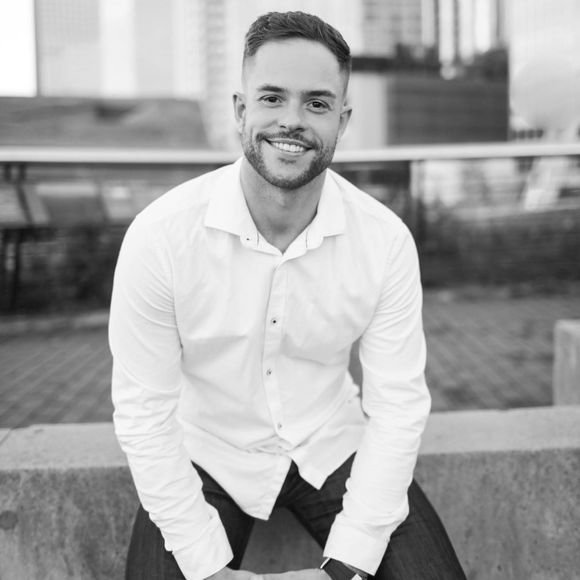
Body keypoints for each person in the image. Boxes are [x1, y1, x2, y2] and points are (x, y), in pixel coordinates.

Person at [109, 11, 467, 580]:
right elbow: (143, 413)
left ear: (342, 120)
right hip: (208, 452)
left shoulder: (385, 241)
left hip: (330, 442)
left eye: (317, 103)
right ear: (240, 109)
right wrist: (208, 570)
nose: (292, 121)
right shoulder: (161, 236)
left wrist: (345, 569)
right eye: (272, 97)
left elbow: (398, 407)